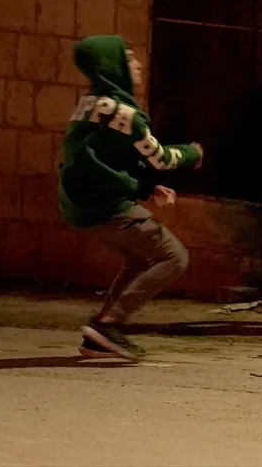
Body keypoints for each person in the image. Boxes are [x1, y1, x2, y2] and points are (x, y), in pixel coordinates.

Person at [58, 35, 204, 360]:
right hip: (107, 205)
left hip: (79, 205)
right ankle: (110, 322)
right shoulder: (126, 114)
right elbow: (161, 157)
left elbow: (104, 160)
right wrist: (192, 153)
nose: (137, 64)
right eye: (128, 58)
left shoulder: (88, 106)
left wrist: (145, 189)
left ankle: (99, 336)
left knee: (140, 258)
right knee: (174, 257)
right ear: (113, 66)